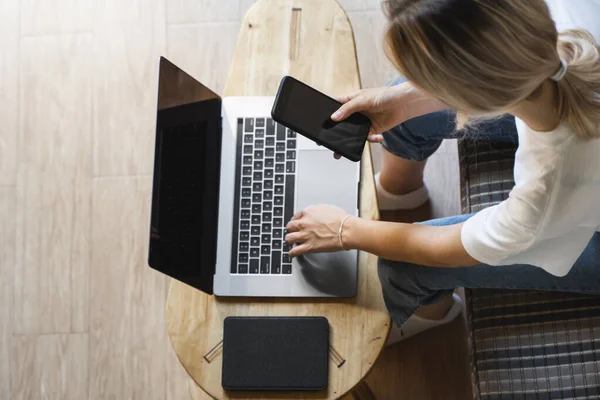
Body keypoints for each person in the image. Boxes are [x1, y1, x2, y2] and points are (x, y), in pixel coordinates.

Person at [284, 0, 600, 344]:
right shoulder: (570, 13)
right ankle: (398, 192)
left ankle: (432, 316)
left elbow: (450, 249)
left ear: (471, 100)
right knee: (402, 102)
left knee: (403, 265)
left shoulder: (547, 190)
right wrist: (404, 99)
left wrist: (344, 230)